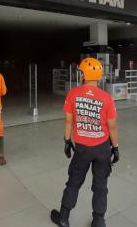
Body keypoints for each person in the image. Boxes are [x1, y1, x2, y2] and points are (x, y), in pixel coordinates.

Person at [50, 57, 119, 227]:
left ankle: (64, 218)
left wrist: (67, 141)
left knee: (73, 182)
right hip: (103, 149)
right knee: (100, 186)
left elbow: (68, 121)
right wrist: (115, 147)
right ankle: (98, 220)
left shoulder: (73, 94)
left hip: (82, 149)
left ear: (83, 74)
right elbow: (112, 126)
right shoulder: (106, 97)